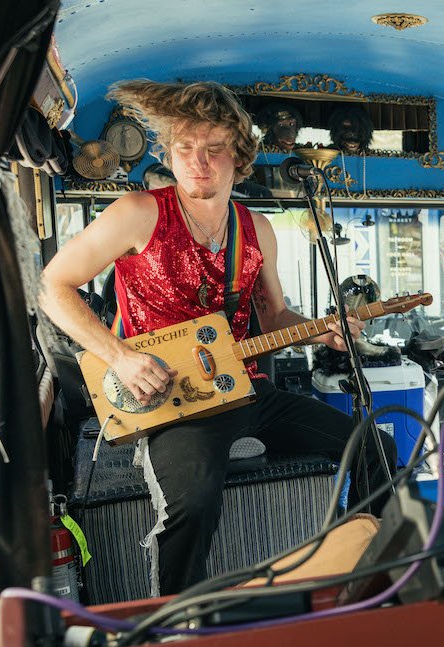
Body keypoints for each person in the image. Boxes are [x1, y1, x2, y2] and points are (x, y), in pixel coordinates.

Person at [39, 80, 396, 596]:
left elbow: (274, 316)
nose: (197, 162)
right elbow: (53, 285)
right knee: (193, 501)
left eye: (213, 150)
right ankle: (178, 625)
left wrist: (322, 331)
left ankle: (371, 584)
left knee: (376, 451)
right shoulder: (139, 212)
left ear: (239, 157)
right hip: (172, 400)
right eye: (184, 148)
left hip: (247, 388)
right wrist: (119, 357)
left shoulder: (257, 230)